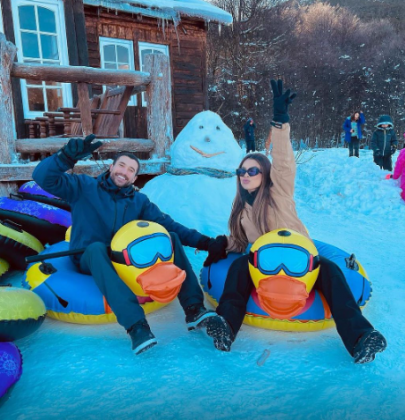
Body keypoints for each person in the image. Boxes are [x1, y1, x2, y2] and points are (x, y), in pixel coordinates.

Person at [203, 79, 387, 364]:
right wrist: (221, 244)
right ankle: (225, 328)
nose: (246, 174)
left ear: (265, 174)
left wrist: (279, 122)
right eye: (242, 170)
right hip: (262, 264)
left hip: (300, 258)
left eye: (253, 170)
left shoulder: (278, 191)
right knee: (239, 269)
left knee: (332, 274)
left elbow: (284, 160)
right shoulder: (240, 209)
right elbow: (241, 242)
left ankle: (361, 337)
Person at [33, 142, 221, 355]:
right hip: (88, 256)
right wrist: (66, 157)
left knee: (171, 236)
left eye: (131, 170)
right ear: (111, 167)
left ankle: (194, 309)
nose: (125, 172)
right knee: (96, 249)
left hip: (123, 259)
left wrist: (206, 243)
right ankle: (136, 325)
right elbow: (42, 178)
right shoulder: (83, 187)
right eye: (121, 166)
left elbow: (169, 224)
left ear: (134, 179)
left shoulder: (138, 201)